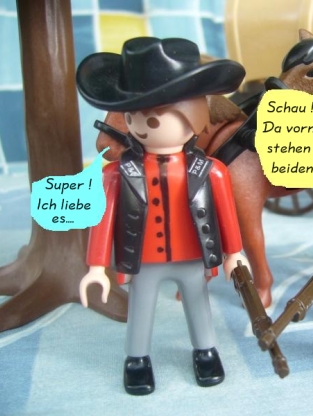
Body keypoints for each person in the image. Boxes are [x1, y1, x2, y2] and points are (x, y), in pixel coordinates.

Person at [76, 37, 248, 395]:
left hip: (192, 256)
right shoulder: (117, 174)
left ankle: (205, 351)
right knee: (141, 308)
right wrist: (96, 266)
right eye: (134, 115)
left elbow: (227, 217)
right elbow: (103, 222)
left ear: (192, 118)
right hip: (143, 259)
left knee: (198, 304)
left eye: (154, 117)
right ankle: (136, 359)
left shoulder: (211, 171)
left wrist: (234, 253)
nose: (141, 125)